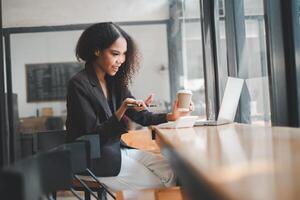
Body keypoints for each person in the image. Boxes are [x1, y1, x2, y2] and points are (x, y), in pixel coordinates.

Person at [66, 22, 193, 191]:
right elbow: (93, 137)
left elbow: (141, 115)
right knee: (159, 183)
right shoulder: (79, 84)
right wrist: (121, 111)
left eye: (124, 54)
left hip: (115, 150)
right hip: (91, 160)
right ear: (97, 50)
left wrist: (171, 116)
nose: (121, 60)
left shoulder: (114, 81)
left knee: (172, 171)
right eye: (115, 53)